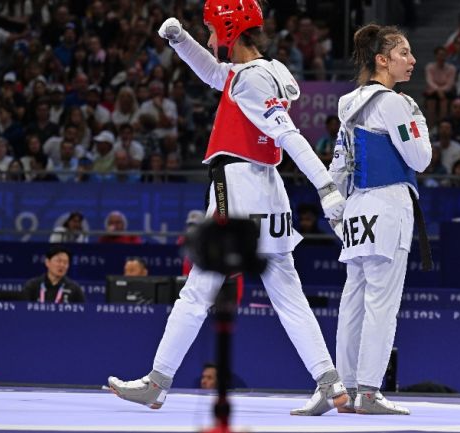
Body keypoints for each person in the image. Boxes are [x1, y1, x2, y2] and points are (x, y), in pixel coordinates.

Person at [107, 1, 348, 417]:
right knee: (288, 295)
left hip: (240, 191)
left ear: (231, 30)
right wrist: (181, 41)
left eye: (213, 31)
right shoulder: (266, 72)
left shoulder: (251, 81)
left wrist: (326, 186)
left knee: (197, 291)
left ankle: (156, 383)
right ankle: (330, 382)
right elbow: (216, 74)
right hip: (268, 193)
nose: (211, 40)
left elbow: (289, 135)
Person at [329, 23, 432, 415]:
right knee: (381, 303)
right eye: (404, 53)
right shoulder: (395, 104)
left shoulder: (347, 102)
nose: (412, 59)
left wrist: (336, 212)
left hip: (356, 206)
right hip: (388, 207)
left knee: (353, 299)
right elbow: (420, 159)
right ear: (382, 60)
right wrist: (418, 121)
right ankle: (369, 392)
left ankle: (348, 388)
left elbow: (339, 165)